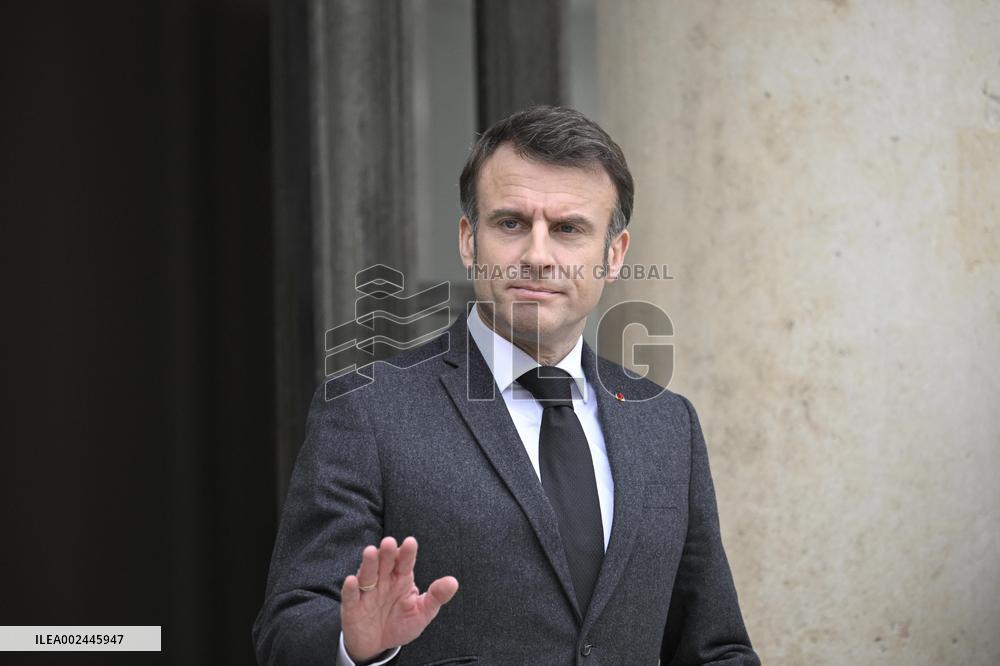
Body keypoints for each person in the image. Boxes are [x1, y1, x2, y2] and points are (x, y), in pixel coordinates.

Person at [253, 106, 760, 665]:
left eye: (568, 229)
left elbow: (715, 649)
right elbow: (287, 630)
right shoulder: (367, 410)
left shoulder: (667, 423)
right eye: (511, 223)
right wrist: (356, 645)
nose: (537, 256)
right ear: (470, 240)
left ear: (613, 255)